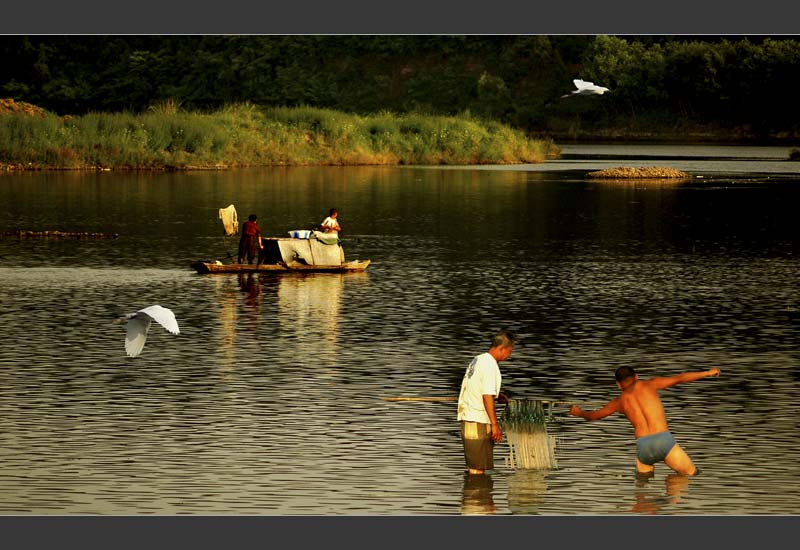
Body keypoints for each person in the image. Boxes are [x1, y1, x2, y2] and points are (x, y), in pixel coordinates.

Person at [569, 365, 721, 476]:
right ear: (636, 376)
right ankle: (672, 490)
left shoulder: (619, 401)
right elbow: (680, 378)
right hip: (663, 440)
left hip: (643, 446)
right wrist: (708, 372)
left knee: (643, 486)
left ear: (618, 384)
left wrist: (578, 412)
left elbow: (595, 415)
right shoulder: (650, 384)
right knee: (690, 474)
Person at [457, 329, 515, 475]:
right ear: (502, 348)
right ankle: (480, 496)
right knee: (478, 469)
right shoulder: (490, 365)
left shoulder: (479, 359)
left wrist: (497, 394)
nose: (510, 355)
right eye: (510, 351)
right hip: (478, 422)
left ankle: (476, 495)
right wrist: (495, 425)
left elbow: (477, 386)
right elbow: (486, 395)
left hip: (468, 419)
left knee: (474, 467)